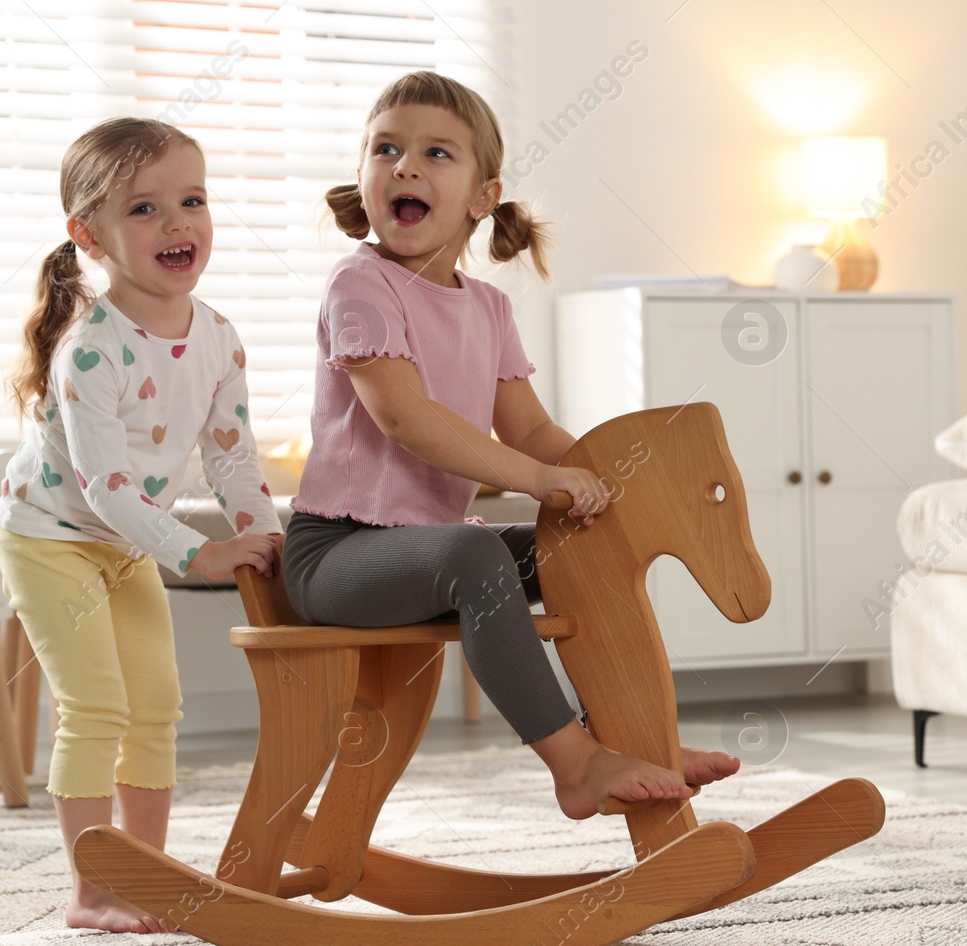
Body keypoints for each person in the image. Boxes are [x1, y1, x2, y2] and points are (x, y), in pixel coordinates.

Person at [282, 71, 741, 820]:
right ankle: (574, 763)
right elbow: (406, 418)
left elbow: (528, 429)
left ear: (481, 197)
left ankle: (639, 735)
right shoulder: (359, 284)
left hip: (424, 550)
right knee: (474, 554)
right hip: (335, 553)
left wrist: (607, 486)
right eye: (386, 149)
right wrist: (538, 477)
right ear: (363, 176)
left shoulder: (489, 308)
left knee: (581, 545)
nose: (405, 166)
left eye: (436, 154)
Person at [0, 117, 282, 933]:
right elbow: (108, 485)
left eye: (192, 200)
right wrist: (202, 552)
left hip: (125, 540)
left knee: (155, 704)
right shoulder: (92, 349)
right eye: (146, 208)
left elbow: (231, 458)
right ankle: (91, 891)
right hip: (50, 537)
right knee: (95, 706)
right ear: (90, 234)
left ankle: (139, 873)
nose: (178, 223)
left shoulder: (219, 338)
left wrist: (262, 537)